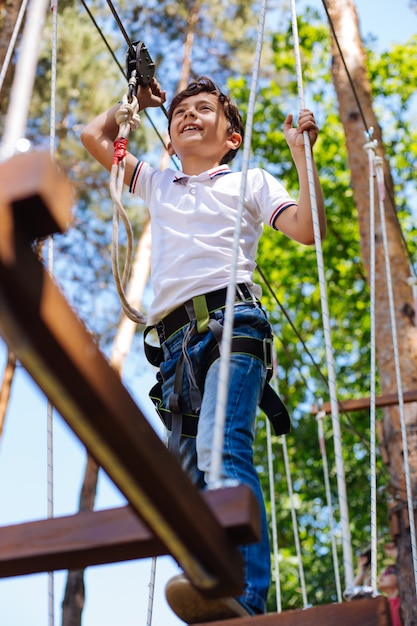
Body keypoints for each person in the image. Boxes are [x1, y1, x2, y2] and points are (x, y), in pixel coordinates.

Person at [81, 76, 325, 623]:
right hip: (174, 349)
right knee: (184, 483)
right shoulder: (156, 181)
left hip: (232, 324)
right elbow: (93, 137)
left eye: (205, 110)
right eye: (181, 112)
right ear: (169, 136)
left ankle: (248, 592)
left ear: (231, 137)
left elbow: (308, 229)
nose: (189, 115)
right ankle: (214, 587)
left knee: (222, 445)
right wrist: (133, 106)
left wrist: (300, 156)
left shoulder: (251, 181)